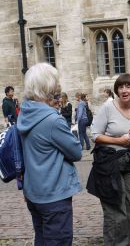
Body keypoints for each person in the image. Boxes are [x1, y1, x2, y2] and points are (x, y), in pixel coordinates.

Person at [17, 63, 82, 246]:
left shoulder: (25, 114)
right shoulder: (52, 120)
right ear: (48, 86)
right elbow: (76, 151)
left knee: (42, 239)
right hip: (54, 194)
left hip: (34, 192)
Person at [90, 73, 130, 245]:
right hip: (111, 163)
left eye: (128, 87)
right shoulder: (108, 108)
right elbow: (95, 135)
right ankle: (116, 243)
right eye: (121, 87)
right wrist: (119, 141)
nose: (124, 90)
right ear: (116, 90)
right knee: (116, 206)